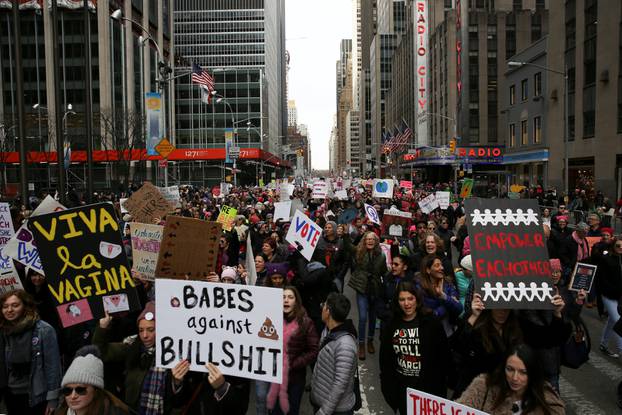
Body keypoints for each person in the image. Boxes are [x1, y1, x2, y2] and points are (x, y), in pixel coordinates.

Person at [93, 302, 182, 414]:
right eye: (141, 330)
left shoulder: (174, 352)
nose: (145, 335)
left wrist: (177, 382)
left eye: (151, 330)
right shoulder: (132, 346)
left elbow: (179, 397)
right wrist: (103, 327)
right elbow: (101, 352)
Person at [379, 282, 450, 414]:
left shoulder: (431, 323)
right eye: (402, 299)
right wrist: (389, 390)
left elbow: (444, 355)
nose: (407, 304)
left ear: (417, 299)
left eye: (410, 298)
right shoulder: (391, 325)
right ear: (397, 302)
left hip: (428, 390)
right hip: (404, 390)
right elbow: (385, 359)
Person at [0, 289, 62, 415]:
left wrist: (52, 398)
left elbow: (53, 367)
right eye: (5, 306)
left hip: (37, 396)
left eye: (15, 305)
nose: (9, 310)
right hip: (10, 394)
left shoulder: (44, 330)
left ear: (26, 306)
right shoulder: (3, 331)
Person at [456, 344, 565, 414]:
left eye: (523, 372)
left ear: (533, 373)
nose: (515, 378)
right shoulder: (483, 386)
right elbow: (458, 409)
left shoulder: (548, 402)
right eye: (510, 369)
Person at [453, 293, 524, 397]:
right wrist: (474, 316)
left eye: (506, 308)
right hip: (474, 390)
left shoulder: (515, 327)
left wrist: (556, 314)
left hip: (503, 392)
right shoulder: (475, 322)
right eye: (497, 307)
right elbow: (459, 348)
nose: (502, 312)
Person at [267, 286, 319, 415]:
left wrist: (294, 364)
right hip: (276, 378)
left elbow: (314, 350)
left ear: (296, 301)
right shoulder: (271, 321)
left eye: (290, 297)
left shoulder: (306, 323)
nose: (286, 300)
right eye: (283, 297)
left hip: (296, 379)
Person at [310, 293, 358, 415]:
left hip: (336, 410)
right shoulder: (327, 330)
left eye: (324, 305)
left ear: (328, 311)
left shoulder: (345, 345)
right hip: (320, 400)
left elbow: (340, 384)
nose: (322, 308)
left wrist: (324, 411)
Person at [347, 231, 387, 360]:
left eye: (372, 239)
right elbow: (348, 246)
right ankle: (362, 344)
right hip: (361, 289)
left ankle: (370, 340)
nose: (369, 241)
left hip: (375, 290)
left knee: (373, 317)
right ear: (364, 241)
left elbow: (384, 272)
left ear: (376, 242)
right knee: (363, 317)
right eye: (367, 239)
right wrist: (345, 234)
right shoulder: (359, 252)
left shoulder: (381, 256)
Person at [55, 347, 130, 415]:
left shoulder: (115, 412)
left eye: (80, 389)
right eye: (67, 390)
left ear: (95, 390)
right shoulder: (60, 411)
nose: (73, 396)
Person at [417, 254, 463, 337]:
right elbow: (428, 315)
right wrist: (448, 305)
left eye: (441, 265)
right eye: (437, 265)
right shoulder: (419, 287)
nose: (442, 268)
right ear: (428, 270)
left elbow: (459, 308)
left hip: (449, 332)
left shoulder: (448, 283)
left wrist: (443, 295)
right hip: (430, 333)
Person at [597, 239, 622, 357]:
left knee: (612, 321)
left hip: (620, 297)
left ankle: (604, 344)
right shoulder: (606, 259)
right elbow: (602, 279)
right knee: (618, 321)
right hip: (608, 295)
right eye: (618, 246)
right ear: (613, 246)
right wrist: (613, 289)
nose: (620, 248)